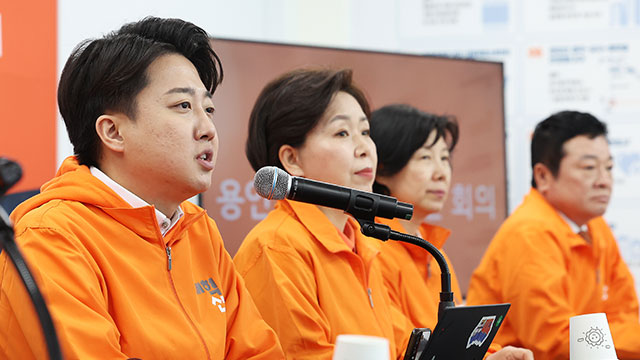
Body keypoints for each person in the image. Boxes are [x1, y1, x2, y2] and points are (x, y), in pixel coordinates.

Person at [0, 17, 284, 359]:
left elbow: (258, 352)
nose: (208, 127)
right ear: (113, 132)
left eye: (209, 109)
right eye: (183, 106)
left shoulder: (198, 229)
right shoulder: (52, 236)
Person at [233, 68, 412, 360]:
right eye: (342, 133)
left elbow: (401, 346)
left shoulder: (360, 242)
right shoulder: (278, 248)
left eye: (365, 132)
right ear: (292, 159)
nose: (365, 148)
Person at [466, 111, 640, 359]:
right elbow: (556, 340)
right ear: (543, 176)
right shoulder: (529, 233)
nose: (605, 180)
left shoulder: (594, 226)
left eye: (609, 167)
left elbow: (626, 313)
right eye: (589, 167)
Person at [370, 104, 534, 360]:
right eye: (425, 158)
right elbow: (400, 344)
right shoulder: (372, 245)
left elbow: (451, 338)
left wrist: (490, 356)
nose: (441, 174)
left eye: (445, 159)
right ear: (381, 168)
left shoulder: (433, 248)